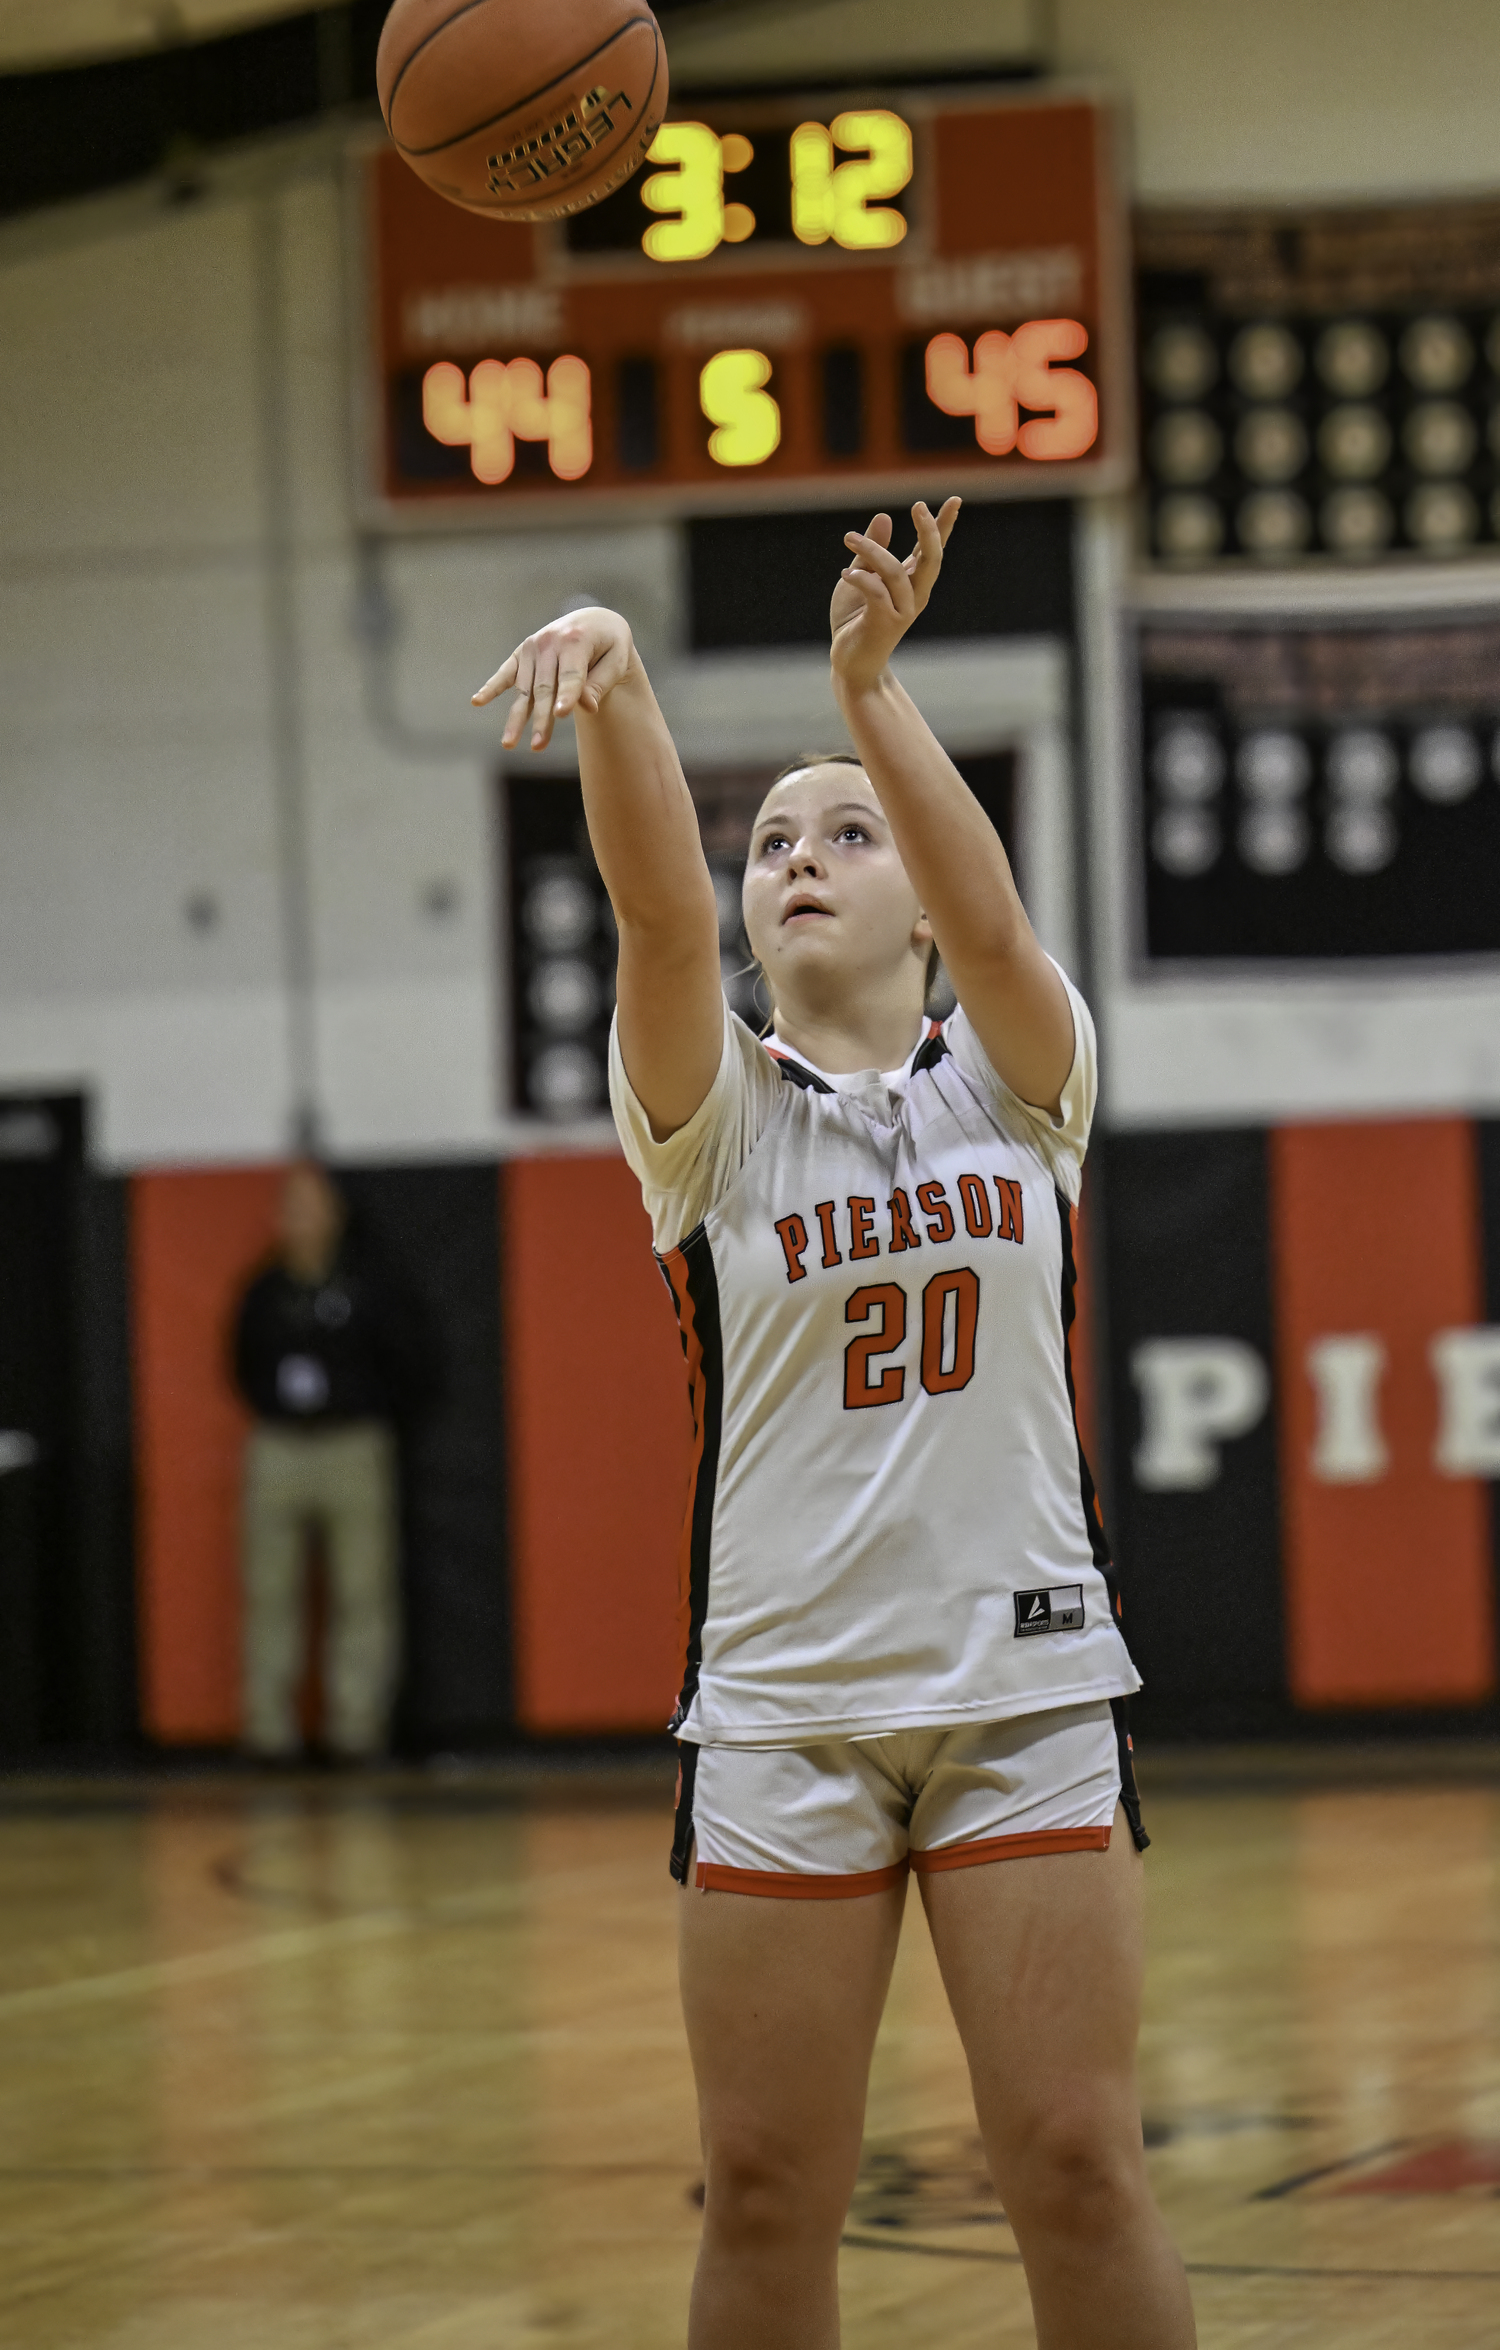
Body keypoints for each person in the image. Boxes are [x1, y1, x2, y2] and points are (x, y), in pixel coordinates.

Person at [473, 502, 1196, 2350]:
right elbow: (650, 902)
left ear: (917, 907)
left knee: (1078, 2158)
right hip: (786, 1706)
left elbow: (1003, 912)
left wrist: (868, 692)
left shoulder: (1022, 1071)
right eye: (774, 839)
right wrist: (621, 669)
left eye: (846, 834)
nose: (799, 858)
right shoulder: (712, 1120)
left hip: (1023, 1690)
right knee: (774, 2187)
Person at [231, 1159, 432, 1763]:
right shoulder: (264, 1291)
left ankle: (357, 1729)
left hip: (353, 1444)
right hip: (280, 1447)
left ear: (336, 1214)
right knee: (269, 1592)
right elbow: (239, 1364)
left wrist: (361, 1403)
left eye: (313, 1205)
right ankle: (269, 1732)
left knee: (363, 1590)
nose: (302, 1218)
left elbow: (406, 1361)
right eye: (291, 1205)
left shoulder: (367, 1285)